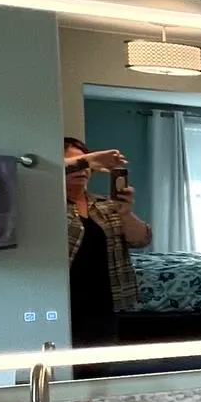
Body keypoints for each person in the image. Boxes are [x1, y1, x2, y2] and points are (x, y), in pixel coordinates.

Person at [63, 137, 152, 349]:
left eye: (86, 164)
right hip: (62, 303)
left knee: (99, 371)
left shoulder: (104, 205)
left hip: (102, 302)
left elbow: (142, 239)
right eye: (75, 163)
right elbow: (44, 172)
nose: (83, 169)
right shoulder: (46, 206)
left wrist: (126, 213)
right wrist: (88, 159)